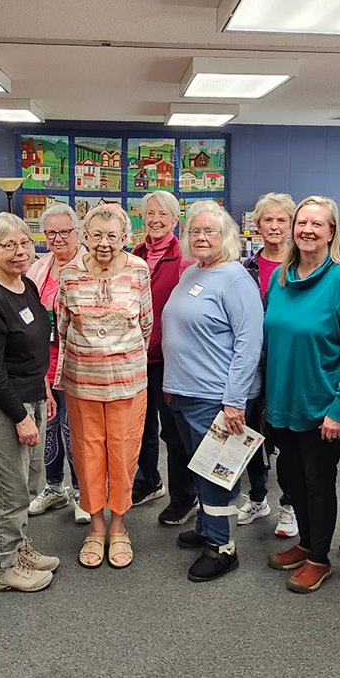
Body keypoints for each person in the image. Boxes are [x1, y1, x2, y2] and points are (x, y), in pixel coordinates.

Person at [262, 196, 340, 593]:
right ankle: (306, 543)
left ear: (330, 232)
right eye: (302, 223)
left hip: (321, 408)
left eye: (317, 224)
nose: (307, 230)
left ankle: (320, 559)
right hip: (282, 404)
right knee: (291, 480)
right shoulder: (282, 277)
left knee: (318, 483)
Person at [161, 201, 264, 582]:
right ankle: (207, 526)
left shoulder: (237, 279)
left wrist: (235, 401)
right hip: (185, 392)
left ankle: (223, 547)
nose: (202, 237)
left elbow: (249, 344)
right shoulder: (192, 273)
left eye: (210, 231)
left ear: (227, 237)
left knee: (218, 473)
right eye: (195, 231)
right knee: (199, 466)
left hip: (217, 397)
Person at [55, 203, 153, 570]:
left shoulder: (139, 270)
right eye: (96, 235)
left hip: (128, 382)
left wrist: (118, 355)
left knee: (124, 455)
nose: (104, 243)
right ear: (84, 236)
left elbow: (145, 324)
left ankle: (120, 526)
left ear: (125, 237)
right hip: (82, 383)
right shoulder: (69, 273)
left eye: (113, 235)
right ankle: (96, 526)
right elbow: (63, 326)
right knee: (88, 455)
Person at [0, 212, 60, 592]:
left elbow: (35, 348)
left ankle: (19, 548)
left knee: (27, 482)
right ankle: (1, 567)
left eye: (25, 242)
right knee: (9, 487)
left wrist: (45, 389)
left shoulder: (27, 286)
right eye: (9, 245)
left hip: (31, 396)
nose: (20, 251)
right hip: (3, 406)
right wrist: (21, 415)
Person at [130, 189, 195, 525]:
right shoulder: (136, 254)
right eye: (149, 213)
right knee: (140, 427)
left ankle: (184, 498)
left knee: (173, 430)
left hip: (170, 358)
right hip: (137, 357)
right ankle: (148, 481)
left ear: (174, 219)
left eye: (162, 214)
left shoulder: (183, 256)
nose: (155, 220)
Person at [25, 203, 90, 524]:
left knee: (74, 428)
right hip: (44, 364)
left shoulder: (89, 265)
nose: (58, 238)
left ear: (77, 233)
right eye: (51, 233)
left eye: (65, 232)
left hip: (77, 364)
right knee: (48, 427)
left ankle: (82, 492)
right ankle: (54, 487)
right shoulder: (39, 266)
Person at [239, 192, 297, 538]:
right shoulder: (244, 268)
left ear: (290, 226)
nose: (274, 226)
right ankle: (258, 498)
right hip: (251, 366)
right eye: (268, 220)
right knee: (250, 437)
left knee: (287, 442)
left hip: (288, 367)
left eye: (281, 220)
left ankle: (289, 506)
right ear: (257, 226)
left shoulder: (302, 267)